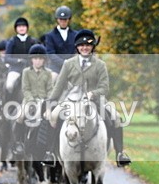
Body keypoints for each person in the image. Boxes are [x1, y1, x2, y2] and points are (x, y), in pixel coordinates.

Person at [48, 29, 130, 166]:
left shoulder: (100, 65)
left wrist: (93, 94)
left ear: (92, 47)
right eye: (81, 45)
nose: (84, 48)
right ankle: (50, 153)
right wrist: (51, 102)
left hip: (95, 100)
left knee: (115, 117)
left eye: (88, 45)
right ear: (77, 47)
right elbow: (59, 86)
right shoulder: (68, 64)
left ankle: (120, 153)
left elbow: (105, 87)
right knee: (54, 116)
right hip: (71, 101)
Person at [11, 44, 52, 157]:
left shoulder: (48, 73)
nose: (38, 61)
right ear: (31, 60)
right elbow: (25, 88)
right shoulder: (26, 72)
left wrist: (46, 102)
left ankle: (50, 149)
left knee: (51, 118)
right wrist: (32, 100)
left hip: (44, 101)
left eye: (40, 59)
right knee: (20, 116)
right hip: (29, 101)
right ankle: (18, 142)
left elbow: (50, 89)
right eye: (35, 58)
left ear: (44, 60)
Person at [4, 17, 39, 95]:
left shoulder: (33, 41)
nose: (21, 28)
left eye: (23, 26)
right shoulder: (12, 41)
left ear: (27, 28)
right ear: (16, 29)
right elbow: (7, 58)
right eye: (19, 27)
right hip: (16, 69)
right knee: (9, 85)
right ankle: (8, 105)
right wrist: (18, 61)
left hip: (31, 69)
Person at [43, 5, 78, 73]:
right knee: (52, 79)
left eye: (65, 19)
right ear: (57, 20)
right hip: (56, 68)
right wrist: (64, 63)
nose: (63, 22)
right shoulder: (50, 35)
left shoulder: (75, 35)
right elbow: (51, 54)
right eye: (61, 19)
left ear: (69, 20)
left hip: (72, 67)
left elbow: (77, 51)